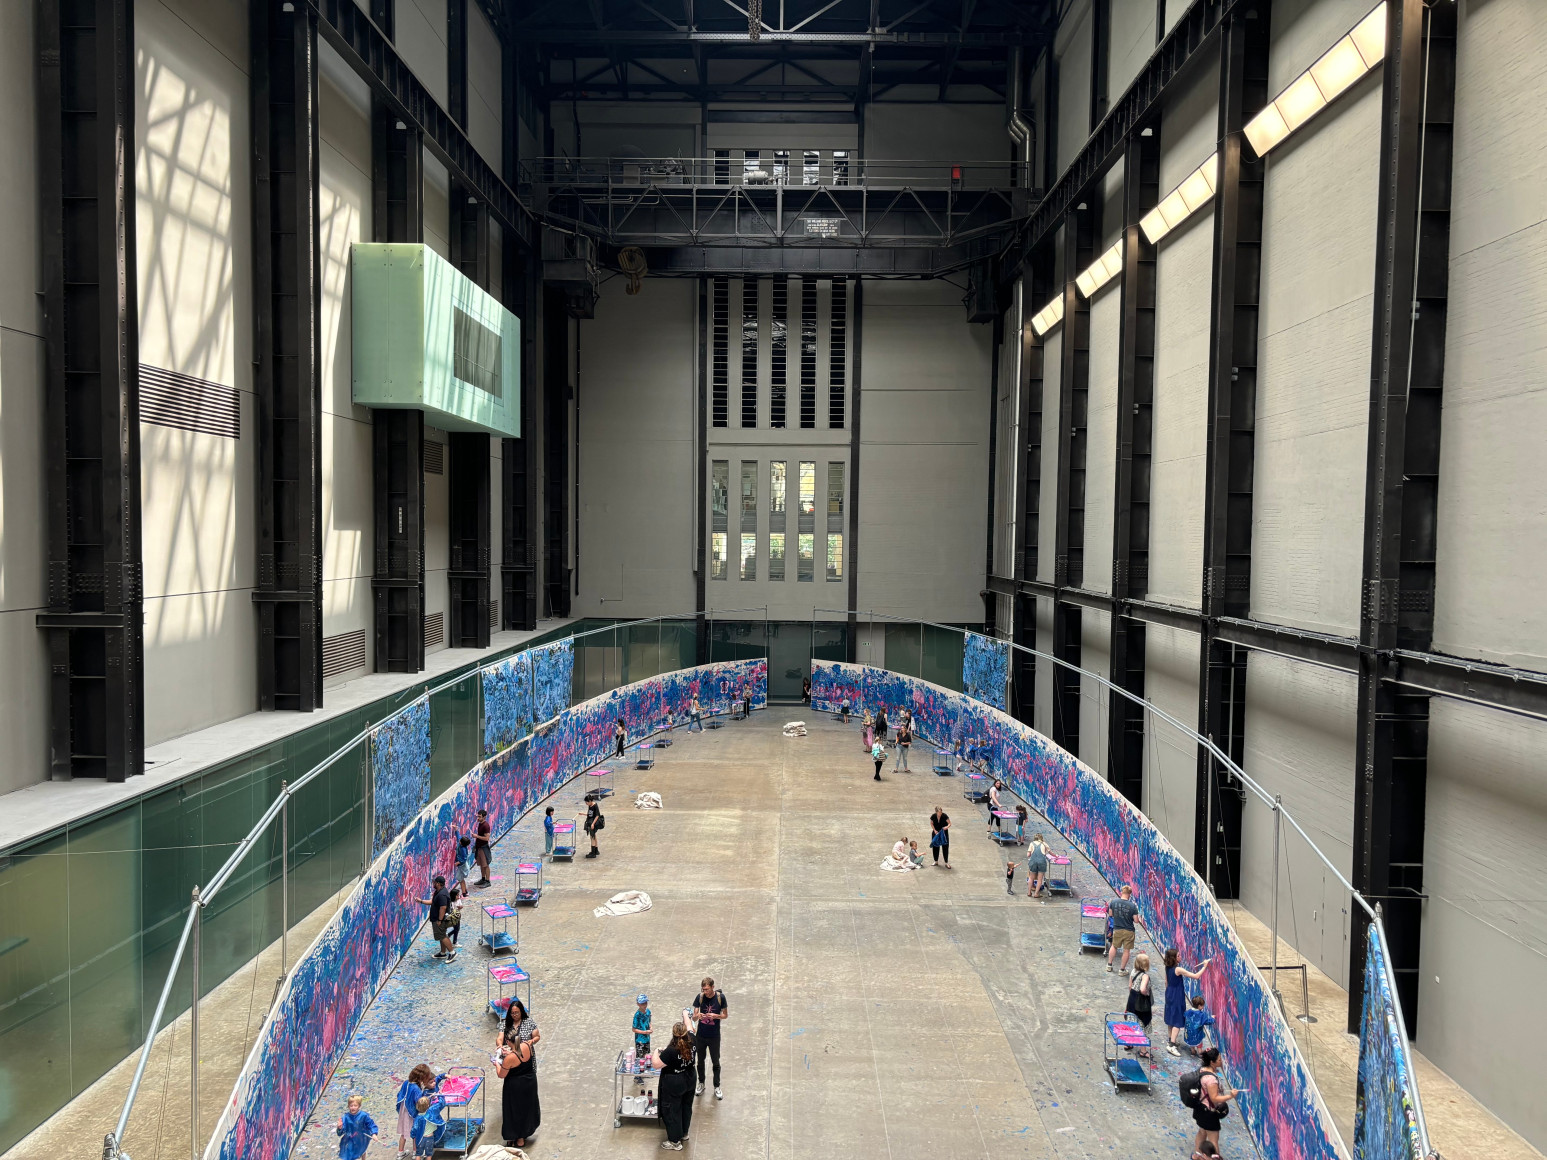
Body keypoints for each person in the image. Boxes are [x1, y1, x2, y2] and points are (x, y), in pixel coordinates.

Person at [653, 1021, 696, 1150]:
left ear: (673, 1034)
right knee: (686, 1106)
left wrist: (657, 1051)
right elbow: (690, 1026)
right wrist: (685, 1014)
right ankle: (684, 1133)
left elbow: (656, 1064)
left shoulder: (671, 1050)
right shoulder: (693, 1040)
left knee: (672, 1110)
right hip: (690, 1078)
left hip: (675, 1082)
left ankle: (674, 1141)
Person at [1163, 948, 1213, 1055]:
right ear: (1174, 958)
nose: (1181, 957)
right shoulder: (1178, 969)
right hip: (1177, 995)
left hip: (1169, 994)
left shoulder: (1167, 967)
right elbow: (1196, 976)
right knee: (1177, 1020)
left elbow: (1166, 982)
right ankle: (1172, 1045)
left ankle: (1171, 1040)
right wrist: (1204, 966)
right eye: (1179, 955)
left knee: (1171, 1017)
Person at [1191, 1047, 1237, 1157]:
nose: (1221, 1061)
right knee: (1213, 1139)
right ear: (1212, 1062)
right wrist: (1230, 1096)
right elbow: (1214, 1098)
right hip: (1209, 1113)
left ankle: (1197, 1156)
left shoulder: (1202, 1070)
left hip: (1200, 1109)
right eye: (1219, 1059)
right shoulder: (1211, 1080)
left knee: (1202, 1132)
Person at [496, 1035, 540, 1148]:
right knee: (526, 1109)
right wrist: (509, 1052)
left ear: (507, 1041)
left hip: (515, 1087)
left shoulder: (509, 1058)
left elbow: (501, 1074)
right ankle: (522, 1136)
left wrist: (497, 1063)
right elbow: (519, 1055)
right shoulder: (527, 1045)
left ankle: (516, 1137)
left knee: (514, 1111)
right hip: (530, 1082)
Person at [690, 976, 728, 1099]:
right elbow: (694, 1017)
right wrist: (698, 1016)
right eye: (703, 989)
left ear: (713, 987)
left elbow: (725, 1015)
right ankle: (701, 1083)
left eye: (707, 989)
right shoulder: (700, 997)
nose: (705, 992)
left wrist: (716, 1016)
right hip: (701, 1035)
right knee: (700, 1062)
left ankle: (717, 1086)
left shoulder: (720, 997)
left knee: (715, 1061)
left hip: (714, 1036)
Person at [394, 1065, 440, 1155]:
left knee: (403, 1133)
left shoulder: (406, 1083)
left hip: (404, 1111)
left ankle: (400, 1152)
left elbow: (400, 1095)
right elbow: (420, 1103)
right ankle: (416, 1152)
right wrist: (430, 1098)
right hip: (411, 1113)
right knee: (415, 1133)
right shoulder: (416, 1089)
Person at [413, 875, 455, 963]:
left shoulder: (442, 894)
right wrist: (421, 901)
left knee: (443, 936)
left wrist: (439, 920)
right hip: (436, 918)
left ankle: (452, 952)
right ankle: (443, 953)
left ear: (438, 884)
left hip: (439, 919)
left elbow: (443, 908)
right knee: (441, 935)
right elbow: (432, 902)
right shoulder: (438, 892)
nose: (433, 884)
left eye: (434, 882)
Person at [1106, 884, 1142, 973]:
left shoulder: (1114, 902)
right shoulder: (1133, 906)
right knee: (1126, 950)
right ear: (1130, 894)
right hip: (1129, 931)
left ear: (1122, 892)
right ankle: (1122, 970)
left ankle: (1109, 965)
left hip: (1117, 928)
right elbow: (1136, 921)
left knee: (1114, 946)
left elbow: (1110, 914)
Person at [1125, 952, 1154, 1056]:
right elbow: (1142, 989)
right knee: (1142, 1024)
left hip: (1132, 999)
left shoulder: (1133, 971)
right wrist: (1146, 993)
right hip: (1141, 1003)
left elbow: (1130, 986)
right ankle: (1143, 1051)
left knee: (1131, 1021)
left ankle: (1128, 1043)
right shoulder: (1145, 976)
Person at [335, 1094, 378, 1160]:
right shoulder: (346, 1117)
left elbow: (371, 1124)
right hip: (350, 1139)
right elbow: (340, 1133)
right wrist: (340, 1128)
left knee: (362, 1150)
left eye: (355, 1105)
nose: (353, 1107)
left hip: (361, 1138)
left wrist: (374, 1134)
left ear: (359, 1106)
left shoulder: (363, 1115)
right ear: (348, 1106)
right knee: (349, 1154)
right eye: (351, 1106)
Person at [1025, 833, 1051, 899]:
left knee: (1031, 878)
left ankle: (1029, 892)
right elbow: (1050, 852)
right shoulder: (1044, 844)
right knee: (1040, 879)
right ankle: (1036, 894)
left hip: (1033, 862)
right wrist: (1056, 856)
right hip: (1042, 862)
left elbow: (1028, 855)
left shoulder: (1031, 843)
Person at [473, 810, 492, 888]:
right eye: (478, 816)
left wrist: (477, 836)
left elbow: (487, 838)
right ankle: (483, 879)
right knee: (481, 865)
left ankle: (487, 881)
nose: (478, 818)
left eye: (480, 817)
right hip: (479, 847)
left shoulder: (486, 826)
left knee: (486, 865)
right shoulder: (480, 824)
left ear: (484, 817)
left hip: (483, 848)